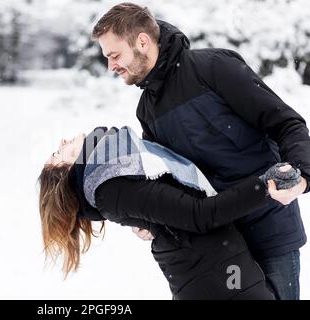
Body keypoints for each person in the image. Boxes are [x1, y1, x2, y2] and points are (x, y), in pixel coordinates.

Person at [91, 2, 309, 300]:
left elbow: (286, 123)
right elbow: (169, 180)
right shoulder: (148, 110)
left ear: (142, 41)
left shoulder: (213, 68)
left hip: (269, 228)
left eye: (114, 55)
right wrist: (151, 220)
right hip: (220, 244)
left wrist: (302, 175)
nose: (111, 66)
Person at [38, 126, 302, 300]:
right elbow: (200, 215)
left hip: (218, 269)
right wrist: (263, 185)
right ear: (64, 173)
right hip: (216, 281)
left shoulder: (114, 166)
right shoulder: (108, 188)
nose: (61, 142)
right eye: (55, 153)